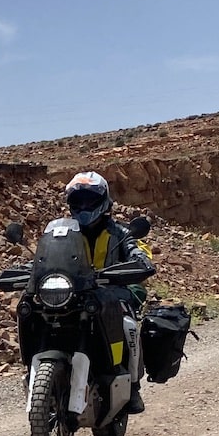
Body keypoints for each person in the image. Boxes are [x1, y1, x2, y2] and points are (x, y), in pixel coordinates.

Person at [64, 171, 156, 413]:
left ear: (103, 201)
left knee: (128, 325)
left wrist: (139, 262)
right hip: (76, 294)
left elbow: (137, 253)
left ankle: (133, 386)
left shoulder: (120, 233)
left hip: (114, 292)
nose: (84, 206)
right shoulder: (65, 234)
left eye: (90, 200)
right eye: (78, 201)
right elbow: (45, 258)